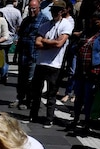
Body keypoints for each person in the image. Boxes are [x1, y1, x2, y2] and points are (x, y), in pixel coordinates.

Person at [28, 0, 73, 128]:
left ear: (63, 11)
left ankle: (49, 118)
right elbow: (37, 43)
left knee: (51, 93)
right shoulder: (45, 25)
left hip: (55, 64)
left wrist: (45, 41)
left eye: (58, 10)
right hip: (41, 62)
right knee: (36, 91)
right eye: (53, 9)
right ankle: (33, 115)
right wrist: (51, 43)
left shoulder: (66, 25)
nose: (54, 12)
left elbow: (60, 43)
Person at [67, 11, 100, 133]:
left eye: (96, 22)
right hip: (81, 69)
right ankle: (76, 119)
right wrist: (78, 42)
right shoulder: (86, 32)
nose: (93, 24)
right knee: (78, 97)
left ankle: (87, 122)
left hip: (94, 71)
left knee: (89, 98)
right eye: (91, 21)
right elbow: (74, 49)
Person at [11, 0, 48, 110]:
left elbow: (46, 37)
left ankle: (28, 100)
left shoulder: (44, 20)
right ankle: (20, 98)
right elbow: (20, 35)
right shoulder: (26, 20)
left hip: (35, 54)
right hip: (24, 53)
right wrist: (16, 52)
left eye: (34, 8)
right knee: (21, 78)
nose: (32, 10)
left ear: (39, 8)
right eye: (30, 8)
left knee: (30, 79)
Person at [0, 0, 21, 83]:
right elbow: (19, 25)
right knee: (5, 56)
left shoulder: (1, 11)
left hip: (1, 37)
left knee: (2, 57)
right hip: (11, 37)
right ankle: (4, 72)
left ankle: (4, 73)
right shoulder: (17, 12)